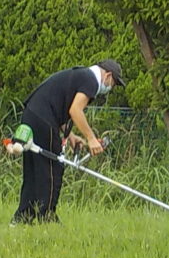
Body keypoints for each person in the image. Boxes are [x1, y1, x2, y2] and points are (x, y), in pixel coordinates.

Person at [12, 59, 126, 224]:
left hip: (32, 114)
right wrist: (91, 138)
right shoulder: (91, 80)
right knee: (53, 167)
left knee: (33, 168)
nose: (110, 88)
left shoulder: (80, 75)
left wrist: (70, 135)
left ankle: (23, 217)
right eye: (113, 84)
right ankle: (47, 217)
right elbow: (75, 110)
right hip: (43, 117)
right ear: (108, 75)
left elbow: (59, 105)